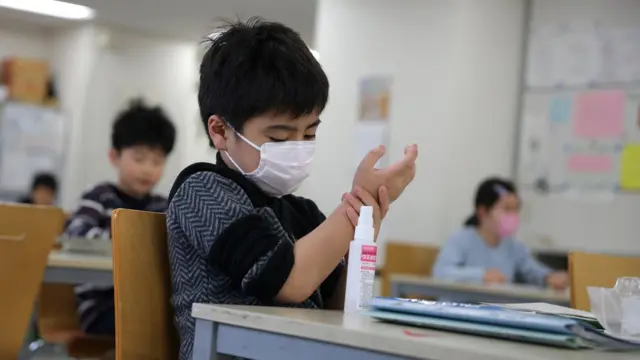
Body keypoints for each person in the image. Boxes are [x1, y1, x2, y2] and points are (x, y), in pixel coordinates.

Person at [166, 18, 418, 360]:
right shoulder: (203, 190)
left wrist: (365, 220)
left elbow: (338, 307)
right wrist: (353, 207)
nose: (298, 147)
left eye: (310, 134)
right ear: (220, 130)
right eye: (280, 137)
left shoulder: (302, 213)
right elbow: (287, 280)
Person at [65, 99, 176, 337]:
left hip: (147, 301)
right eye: (139, 159)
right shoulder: (99, 197)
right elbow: (77, 234)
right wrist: (138, 245)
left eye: (157, 162)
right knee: (156, 328)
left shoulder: (163, 206)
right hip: (100, 305)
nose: (148, 169)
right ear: (114, 156)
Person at [432, 177, 568, 290]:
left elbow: (533, 271)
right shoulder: (461, 240)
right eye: (507, 209)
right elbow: (440, 274)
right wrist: (481, 276)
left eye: (516, 209)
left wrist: (550, 278)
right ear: (483, 211)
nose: (513, 215)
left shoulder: (514, 247)